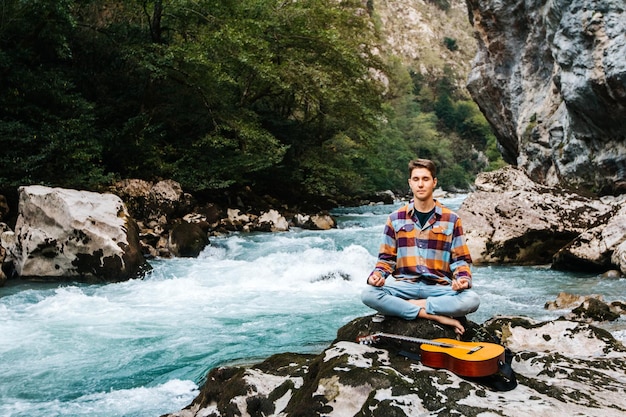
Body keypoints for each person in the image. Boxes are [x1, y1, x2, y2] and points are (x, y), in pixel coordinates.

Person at [361, 158, 479, 335]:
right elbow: (386, 259)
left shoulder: (451, 219)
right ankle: (433, 315)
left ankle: (408, 307)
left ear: (434, 182)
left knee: (472, 299)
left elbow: (460, 260)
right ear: (410, 183)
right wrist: (377, 275)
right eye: (416, 179)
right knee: (369, 294)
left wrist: (462, 279)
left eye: (425, 179)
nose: (421, 184)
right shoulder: (395, 218)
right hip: (405, 286)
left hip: (439, 288)